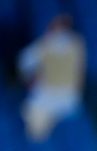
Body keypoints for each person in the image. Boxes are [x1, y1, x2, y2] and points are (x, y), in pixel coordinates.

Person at [17, 14, 86, 142]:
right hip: (49, 95)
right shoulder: (46, 44)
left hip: (64, 97)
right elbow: (25, 60)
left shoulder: (74, 44)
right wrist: (30, 78)